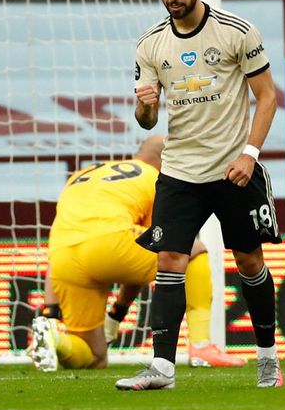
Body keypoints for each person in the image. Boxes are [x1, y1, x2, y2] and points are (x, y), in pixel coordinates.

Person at [115, 0, 283, 391]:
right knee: (171, 258)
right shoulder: (149, 44)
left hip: (233, 169)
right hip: (179, 171)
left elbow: (267, 96)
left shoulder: (237, 31)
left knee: (249, 260)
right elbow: (147, 121)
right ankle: (163, 368)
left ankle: (268, 359)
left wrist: (251, 153)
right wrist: (144, 108)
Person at [27, 136, 245, 371]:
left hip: (63, 258)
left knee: (94, 356)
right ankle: (201, 345)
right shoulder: (158, 179)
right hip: (111, 242)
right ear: (168, 159)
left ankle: (54, 338)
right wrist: (118, 312)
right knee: (193, 250)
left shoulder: (83, 174)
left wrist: (53, 312)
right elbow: (161, 250)